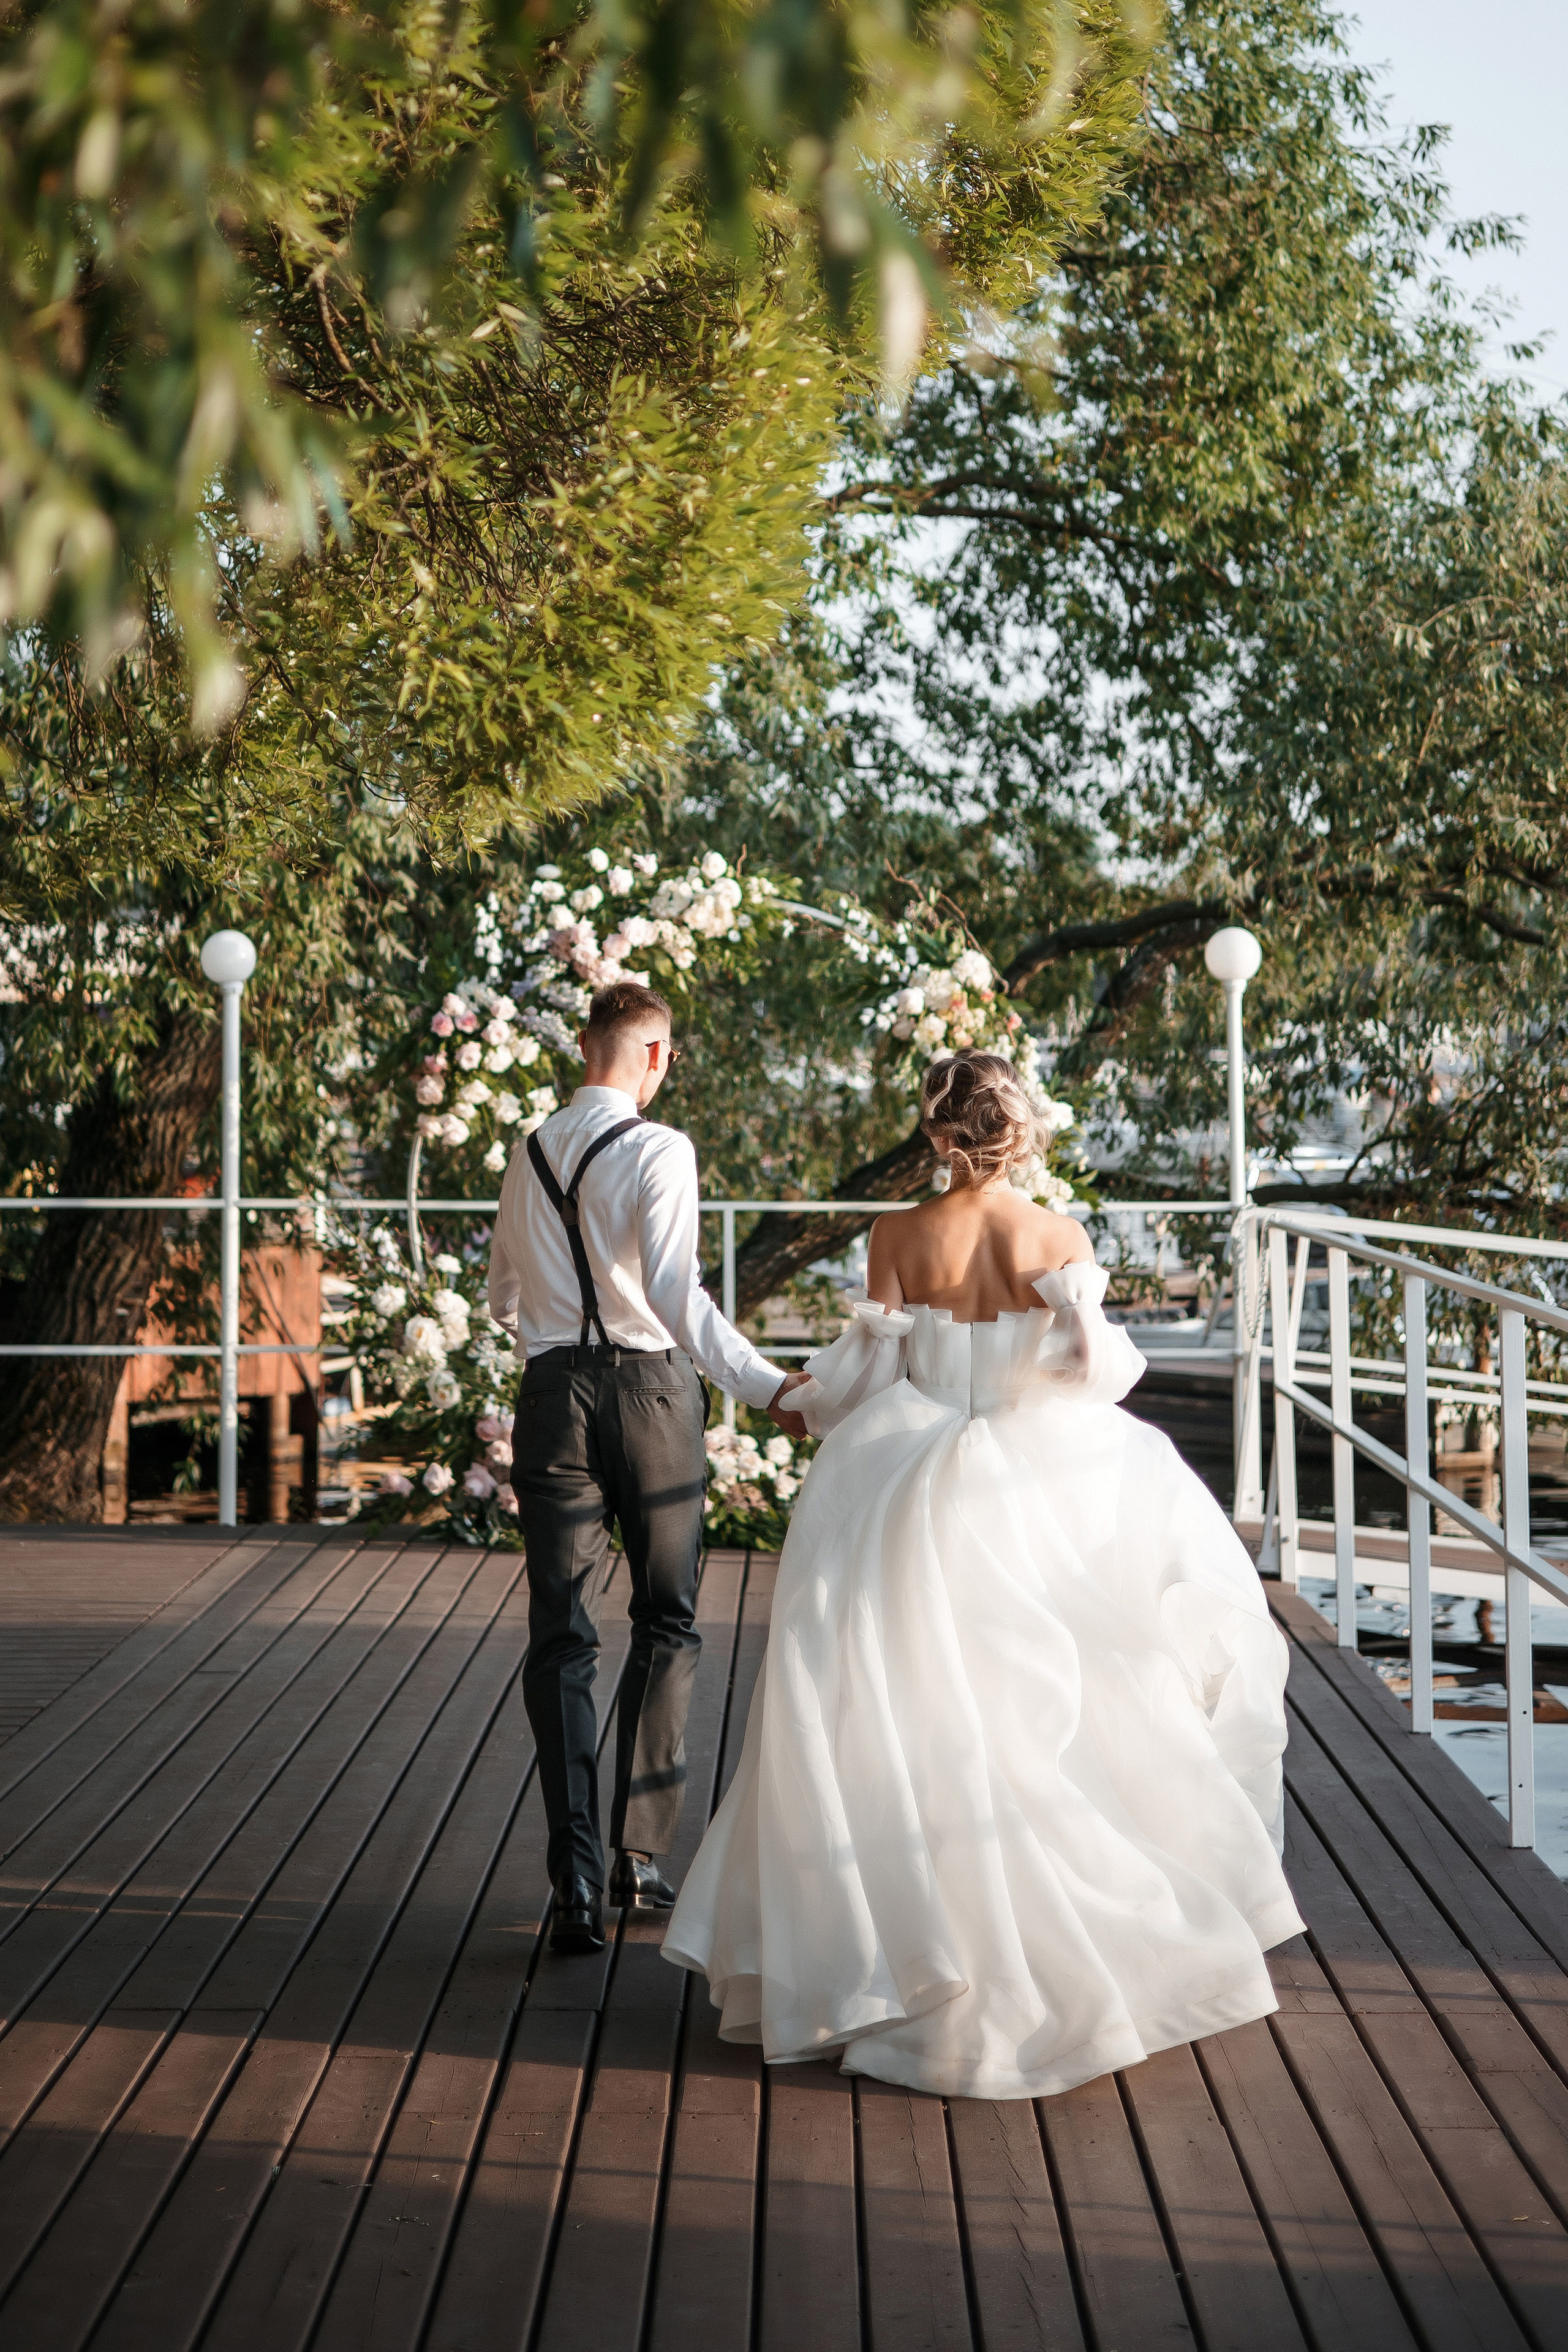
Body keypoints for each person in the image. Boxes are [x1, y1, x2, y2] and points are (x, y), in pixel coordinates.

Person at [663, 1049, 1303, 2100]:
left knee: (899, 1707)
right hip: (1034, 1472)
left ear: (938, 1132)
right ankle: (1083, 1948)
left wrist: (800, 1400)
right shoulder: (1058, 1236)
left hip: (903, 1475)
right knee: (1062, 1700)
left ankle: (893, 1952)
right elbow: (1094, 1369)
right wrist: (1035, 1351)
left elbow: (870, 1371)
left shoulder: (898, 1234)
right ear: (1018, 1128)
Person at [489, 980, 805, 1956]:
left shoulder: (526, 1151)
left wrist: (558, 1324)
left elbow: (502, 1296)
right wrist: (764, 1386)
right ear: (656, 1055)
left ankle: (576, 1879)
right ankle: (638, 1855)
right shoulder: (661, 1149)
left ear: (586, 1046)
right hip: (651, 1396)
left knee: (561, 1635)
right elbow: (675, 1291)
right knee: (667, 1618)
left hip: (550, 1397)